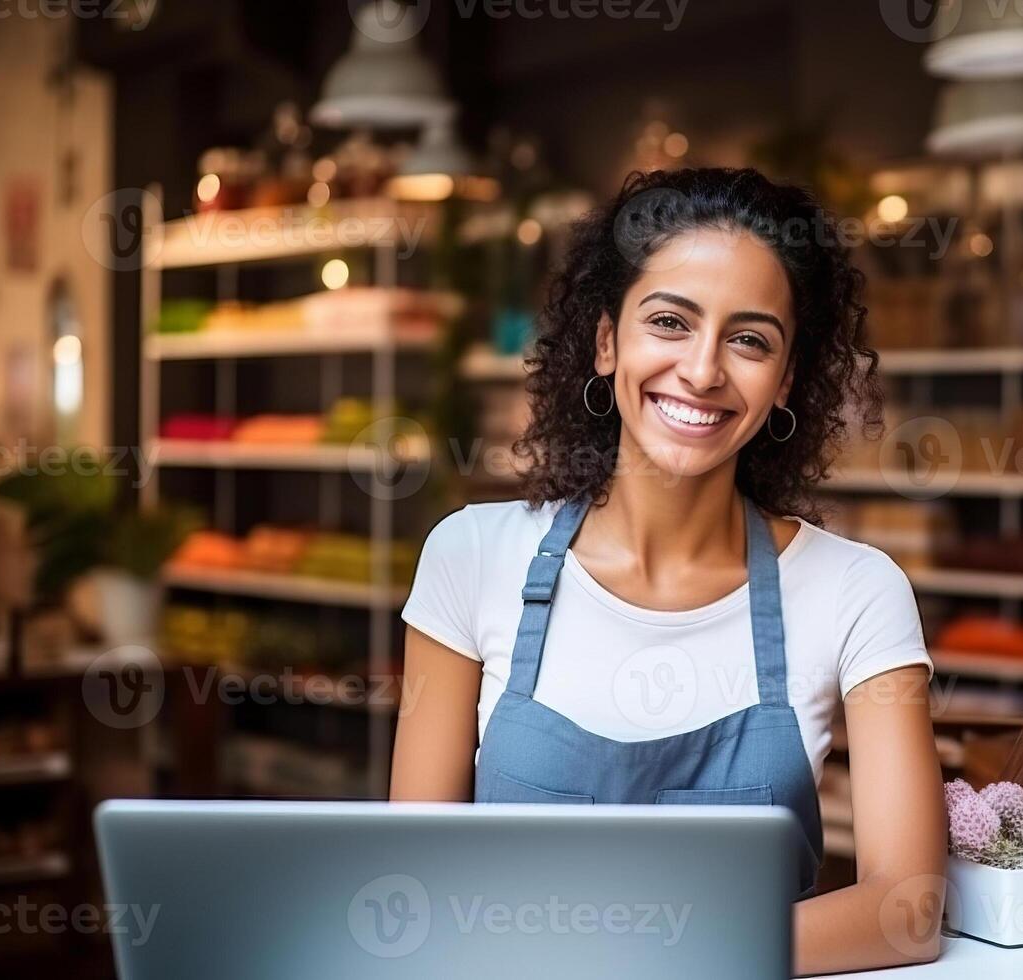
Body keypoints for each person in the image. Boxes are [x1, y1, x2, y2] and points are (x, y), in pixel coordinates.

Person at [391, 167, 945, 974]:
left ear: (786, 378)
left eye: (750, 339)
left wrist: (640, 953)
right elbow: (414, 880)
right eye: (670, 322)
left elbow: (909, 911)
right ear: (607, 339)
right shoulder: (471, 558)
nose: (703, 370)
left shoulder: (855, 591)